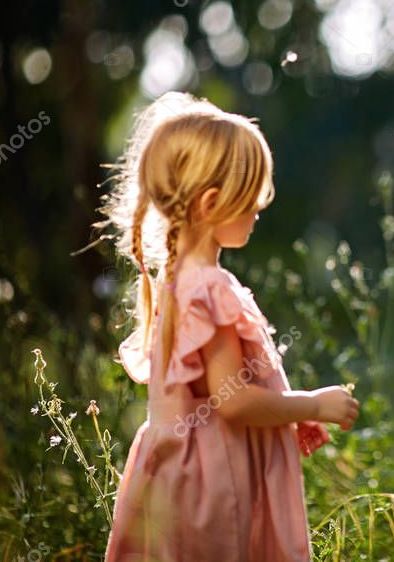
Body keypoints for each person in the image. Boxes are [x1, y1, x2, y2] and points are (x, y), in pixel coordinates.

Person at [100, 92, 359, 561]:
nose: (259, 209)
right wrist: (314, 403)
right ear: (213, 202)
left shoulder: (177, 282)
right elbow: (233, 401)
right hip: (214, 486)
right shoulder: (208, 288)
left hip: (175, 478)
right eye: (251, 198)